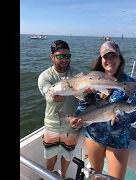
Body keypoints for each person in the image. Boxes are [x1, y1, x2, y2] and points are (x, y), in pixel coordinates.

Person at [70, 41, 136, 180]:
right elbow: (82, 107)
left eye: (113, 56)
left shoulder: (129, 83)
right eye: (105, 57)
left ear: (120, 59)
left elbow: (135, 113)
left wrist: (118, 114)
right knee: (95, 175)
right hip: (94, 135)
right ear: (101, 59)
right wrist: (77, 118)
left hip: (118, 138)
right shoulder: (91, 79)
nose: (109, 60)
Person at [38, 40, 82, 180]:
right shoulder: (45, 76)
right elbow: (49, 95)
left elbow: (84, 97)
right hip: (52, 125)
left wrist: (88, 92)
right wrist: (56, 96)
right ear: (52, 57)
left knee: (67, 156)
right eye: (60, 56)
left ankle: (63, 176)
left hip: (72, 125)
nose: (65, 59)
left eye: (67, 56)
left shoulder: (77, 74)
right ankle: (48, 177)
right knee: (50, 157)